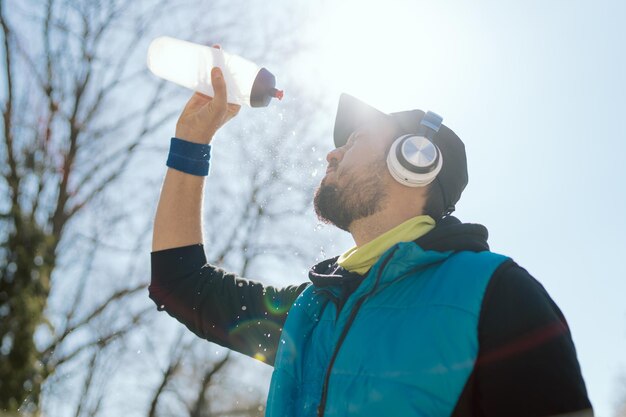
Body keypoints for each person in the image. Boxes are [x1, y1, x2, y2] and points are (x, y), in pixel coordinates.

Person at [149, 66, 593, 417]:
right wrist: (192, 140)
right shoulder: (309, 312)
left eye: (356, 139)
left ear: (414, 161)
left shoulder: (497, 293)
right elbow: (180, 281)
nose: (332, 152)